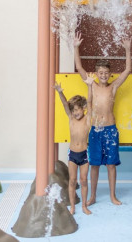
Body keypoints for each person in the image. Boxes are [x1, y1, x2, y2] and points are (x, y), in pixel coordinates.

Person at [73, 31, 132, 206]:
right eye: (101, 72)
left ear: (109, 74)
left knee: (111, 165)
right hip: (95, 130)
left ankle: (113, 195)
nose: (104, 75)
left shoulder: (113, 87)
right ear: (97, 73)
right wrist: (76, 47)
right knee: (95, 165)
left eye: (106, 72)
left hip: (110, 130)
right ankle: (92, 196)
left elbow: (128, 70)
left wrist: (127, 50)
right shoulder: (92, 84)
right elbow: (79, 68)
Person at [54, 79, 94, 215]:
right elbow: (65, 104)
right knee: (72, 180)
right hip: (72, 154)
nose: (75, 112)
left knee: (83, 180)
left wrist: (89, 85)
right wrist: (60, 92)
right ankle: (72, 207)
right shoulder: (71, 118)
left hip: (84, 154)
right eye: (73, 110)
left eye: (77, 109)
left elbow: (90, 102)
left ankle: (84, 205)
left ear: (83, 109)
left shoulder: (87, 119)